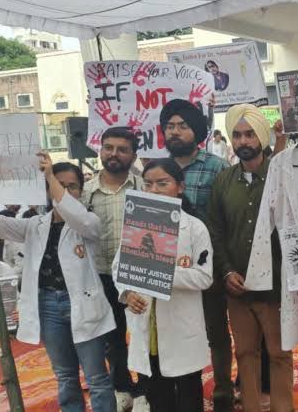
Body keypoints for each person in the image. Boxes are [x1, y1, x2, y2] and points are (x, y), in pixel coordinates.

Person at [0, 154, 116, 411]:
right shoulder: (34, 225)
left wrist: (51, 176)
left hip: (84, 306)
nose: (65, 191)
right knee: (64, 375)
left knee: (96, 377)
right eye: (59, 185)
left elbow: (76, 215)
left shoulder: (89, 222)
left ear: (81, 190)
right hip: (48, 306)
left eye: (71, 186)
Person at [207, 104, 291, 412]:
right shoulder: (224, 181)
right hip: (238, 286)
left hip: (276, 285)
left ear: (262, 137)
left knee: (280, 353)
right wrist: (227, 272)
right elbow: (215, 231)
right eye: (238, 135)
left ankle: (283, 408)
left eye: (250, 134)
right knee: (244, 353)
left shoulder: (281, 176)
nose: (243, 141)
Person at [115, 158, 213, 412]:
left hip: (181, 329)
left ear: (180, 187)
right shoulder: (136, 225)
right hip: (147, 328)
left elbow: (204, 277)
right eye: (148, 184)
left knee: (189, 398)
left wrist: (162, 272)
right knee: (158, 398)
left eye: (162, 183)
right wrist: (128, 292)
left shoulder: (194, 228)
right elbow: (119, 267)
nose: (154, 190)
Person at [159, 98, 234, 411]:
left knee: (215, 331)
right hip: (166, 271)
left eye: (182, 126)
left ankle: (223, 391)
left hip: (207, 268)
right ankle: (181, 391)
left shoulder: (217, 167)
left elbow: (227, 219)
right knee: (174, 331)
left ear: (197, 131)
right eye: (170, 126)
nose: (175, 132)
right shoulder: (157, 170)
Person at [81, 126, 146, 411]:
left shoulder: (144, 187)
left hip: (139, 276)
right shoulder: (85, 192)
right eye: (108, 148)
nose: (114, 154)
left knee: (144, 334)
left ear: (133, 154)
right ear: (100, 150)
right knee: (112, 337)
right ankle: (122, 387)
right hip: (101, 276)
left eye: (122, 149)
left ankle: (145, 390)